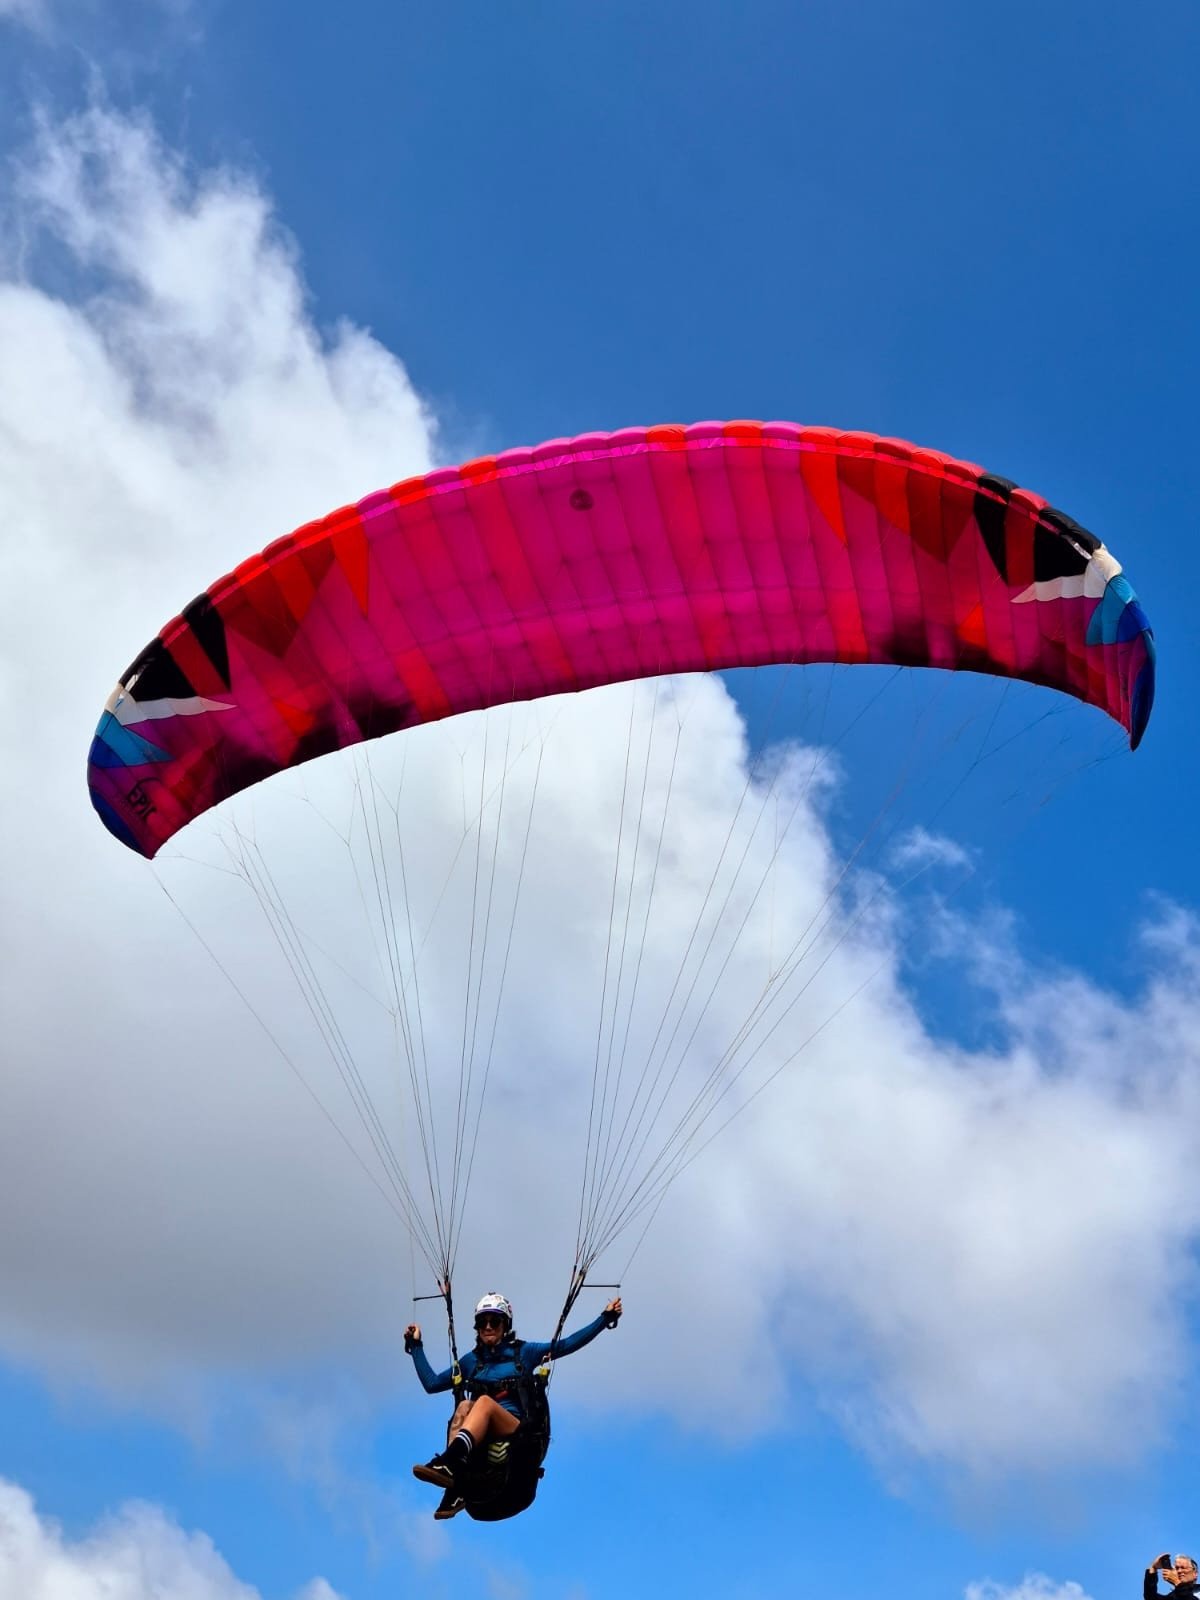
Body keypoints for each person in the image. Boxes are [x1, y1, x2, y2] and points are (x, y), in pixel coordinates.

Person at [404, 1290, 623, 1522]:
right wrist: (415, 1346)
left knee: (484, 1404)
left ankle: (449, 1463)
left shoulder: (524, 1353)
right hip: (483, 1433)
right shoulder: (471, 1361)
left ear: (505, 1325)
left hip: (517, 1430)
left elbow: (567, 1344)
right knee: (464, 1406)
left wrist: (604, 1319)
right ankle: (456, 1484)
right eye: (482, 1321)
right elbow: (432, 1383)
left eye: (494, 1321)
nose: (488, 1326)